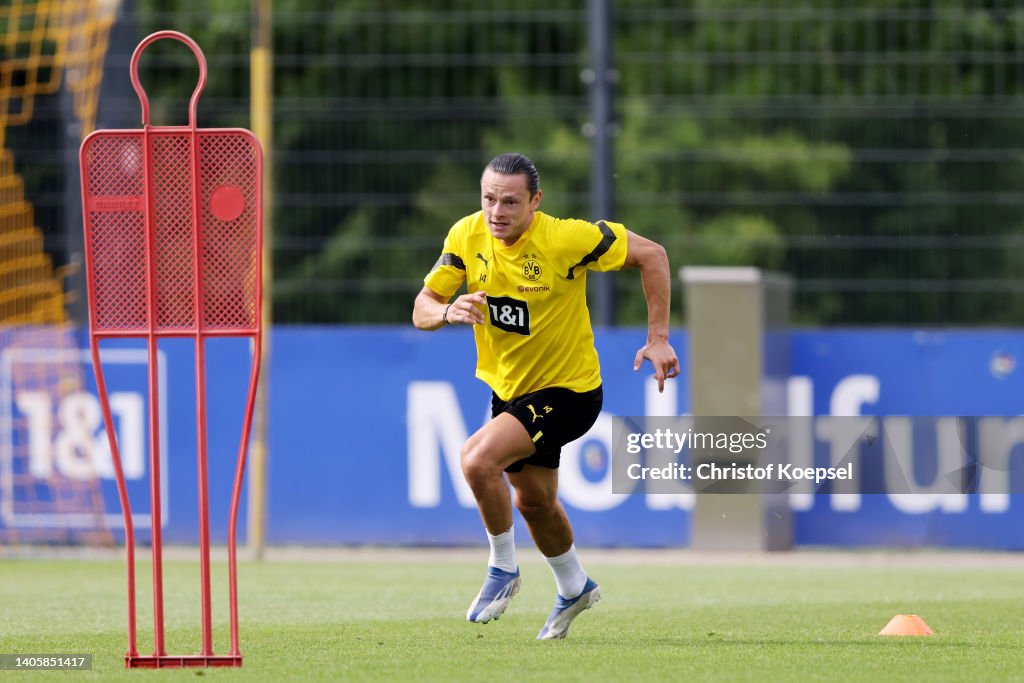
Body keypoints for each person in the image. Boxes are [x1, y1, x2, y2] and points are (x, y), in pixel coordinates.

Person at [412, 152, 679, 640]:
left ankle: (503, 568)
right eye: (489, 199)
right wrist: (448, 311)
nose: (497, 212)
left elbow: (653, 255)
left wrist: (658, 336)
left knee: (475, 460)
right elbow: (422, 306)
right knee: (533, 502)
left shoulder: (565, 238)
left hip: (570, 392)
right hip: (509, 393)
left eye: (511, 201)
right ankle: (574, 585)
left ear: (536, 201)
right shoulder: (465, 235)